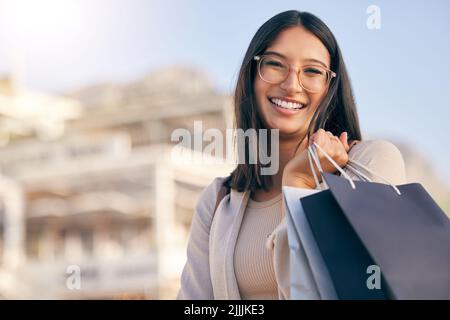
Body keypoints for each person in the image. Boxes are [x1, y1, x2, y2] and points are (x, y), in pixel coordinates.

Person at [177, 10, 406, 300]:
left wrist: (297, 184)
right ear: (252, 77)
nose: (291, 84)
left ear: (330, 89)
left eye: (312, 71)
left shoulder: (371, 166)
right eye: (274, 64)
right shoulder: (218, 200)